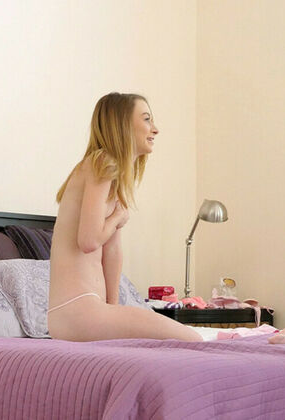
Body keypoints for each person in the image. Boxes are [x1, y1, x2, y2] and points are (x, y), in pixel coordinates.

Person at [48, 92, 202, 342]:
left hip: (90, 311)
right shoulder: (100, 162)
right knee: (191, 340)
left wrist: (113, 308)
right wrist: (116, 218)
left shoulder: (113, 178)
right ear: (122, 125)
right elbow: (88, 241)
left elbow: (111, 252)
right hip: (75, 312)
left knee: (184, 338)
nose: (155, 129)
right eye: (147, 119)